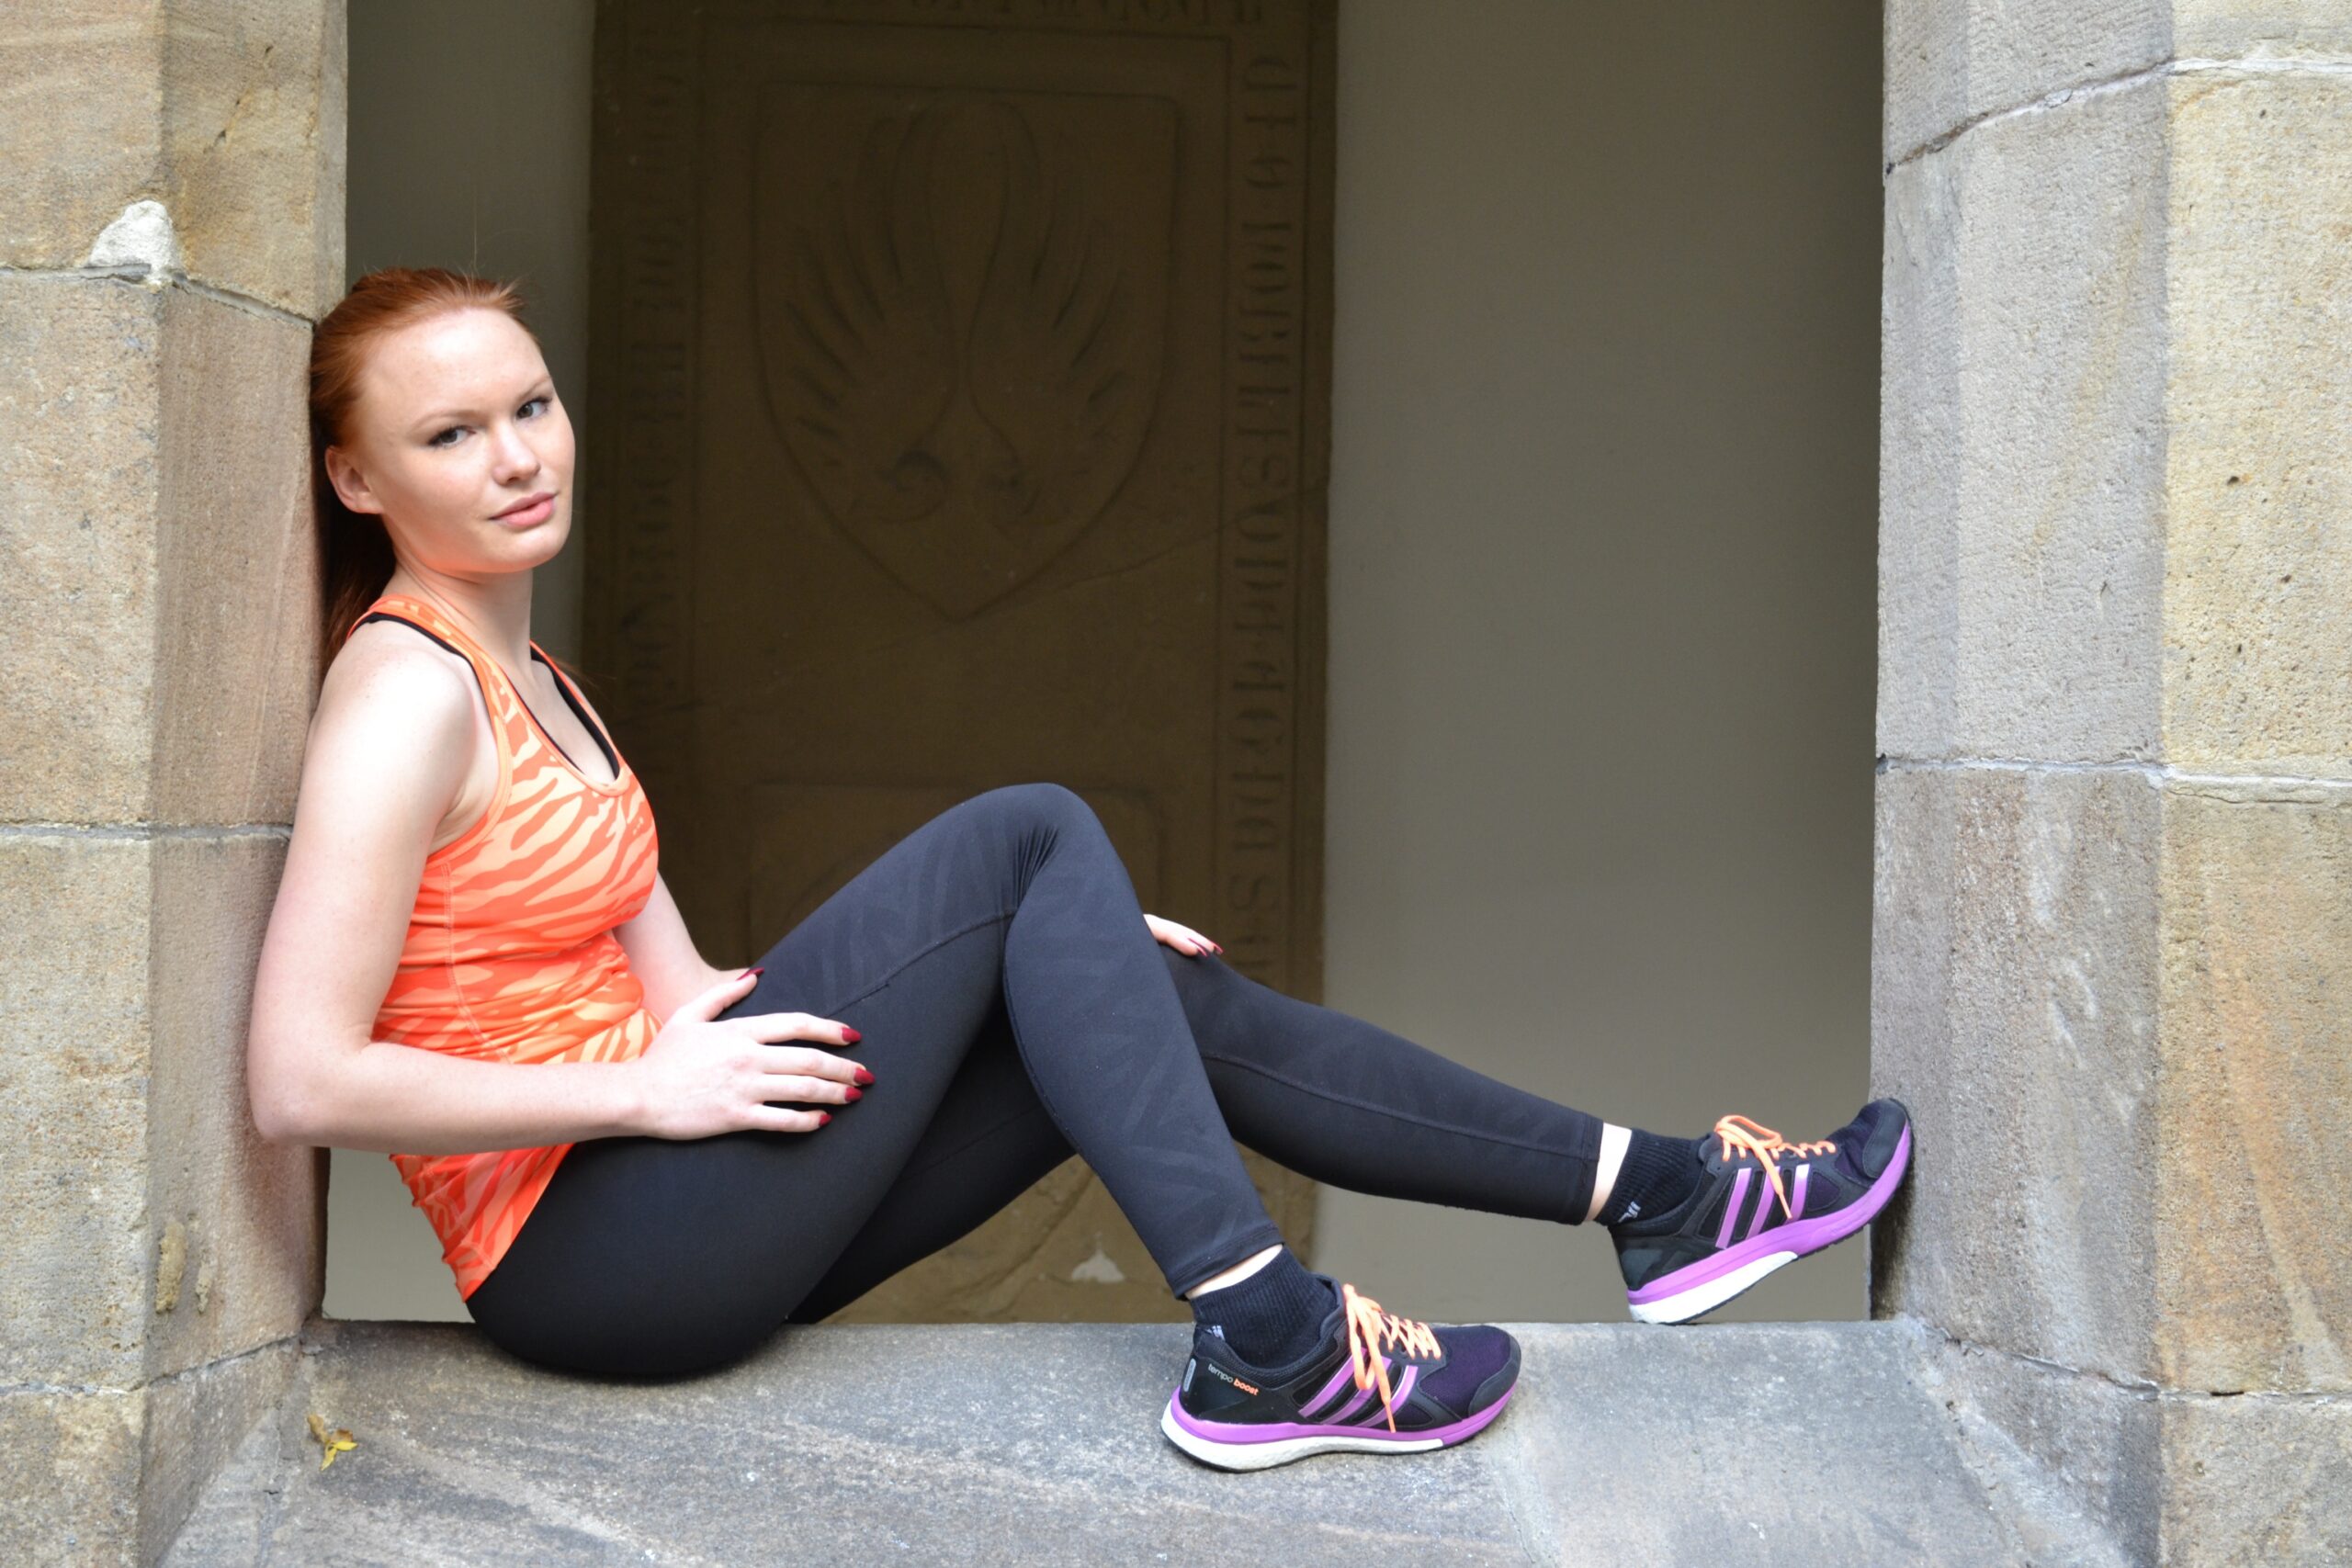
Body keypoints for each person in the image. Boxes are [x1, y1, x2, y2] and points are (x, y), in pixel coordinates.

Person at [245, 266, 1915, 1472]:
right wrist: (641, 1102)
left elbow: (693, 998)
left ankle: (1667, 1198)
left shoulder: (537, 678)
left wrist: (1067, 952)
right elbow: (299, 1077)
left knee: (1134, 993)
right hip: (590, 1252)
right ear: (358, 476)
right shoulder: (405, 694)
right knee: (1032, 826)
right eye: (453, 434)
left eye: (530, 405)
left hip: (668, 1203)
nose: (519, 454)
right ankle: (1268, 1332)